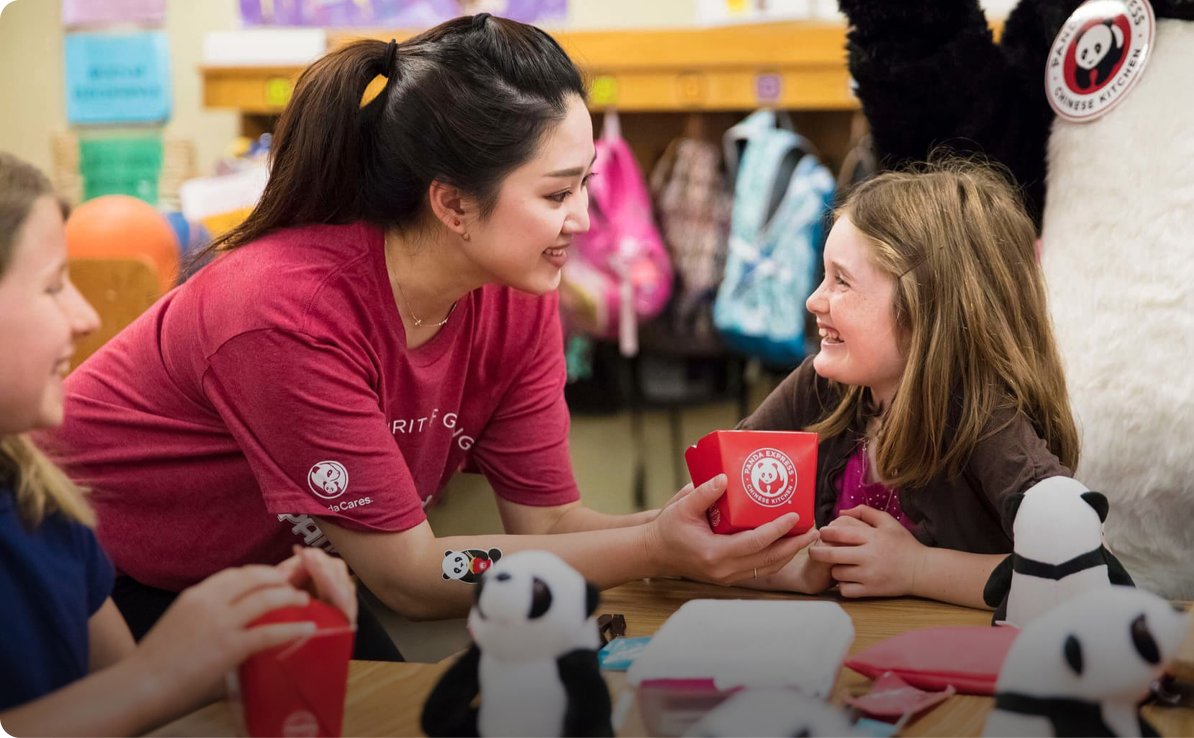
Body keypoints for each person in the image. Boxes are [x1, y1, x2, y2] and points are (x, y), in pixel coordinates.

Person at [41, 14, 811, 657]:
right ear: (452, 205)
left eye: (586, 186)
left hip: (273, 574)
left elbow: (549, 527)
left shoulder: (515, 297)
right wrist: (653, 552)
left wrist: (695, 532)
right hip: (84, 571)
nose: (581, 220)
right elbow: (414, 575)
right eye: (556, 193)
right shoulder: (283, 310)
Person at [0, 151, 357, 736]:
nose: (86, 316)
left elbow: (118, 698)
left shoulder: (44, 503)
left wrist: (241, 632)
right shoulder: (280, 324)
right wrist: (161, 674)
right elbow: (418, 574)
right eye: (53, 286)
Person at [739, 160, 1079, 607]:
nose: (813, 300)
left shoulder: (982, 418)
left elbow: (1081, 575)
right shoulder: (824, 386)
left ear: (926, 309)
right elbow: (707, 527)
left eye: (841, 281)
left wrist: (916, 569)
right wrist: (800, 572)